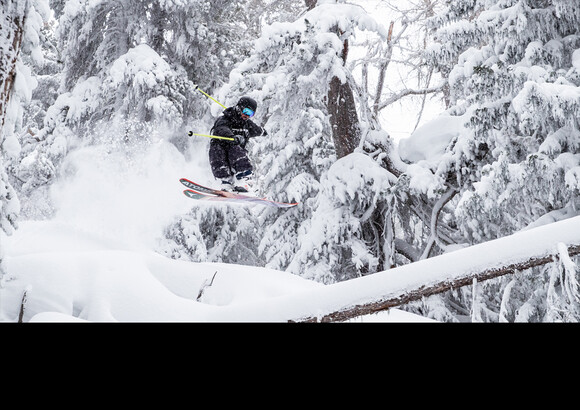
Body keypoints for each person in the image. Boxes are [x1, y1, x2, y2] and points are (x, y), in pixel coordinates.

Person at [209, 96, 267, 193]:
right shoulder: (225, 119)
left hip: (236, 159)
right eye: (246, 112)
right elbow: (221, 129)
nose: (247, 116)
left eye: (251, 114)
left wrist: (263, 132)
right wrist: (232, 137)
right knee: (217, 151)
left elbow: (256, 130)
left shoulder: (247, 124)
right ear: (239, 108)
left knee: (236, 149)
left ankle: (244, 178)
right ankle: (226, 182)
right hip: (221, 152)